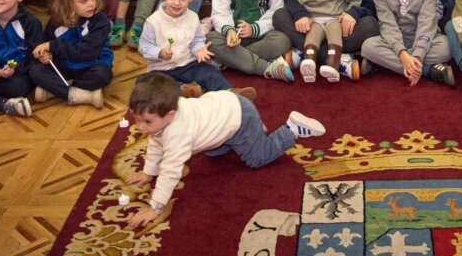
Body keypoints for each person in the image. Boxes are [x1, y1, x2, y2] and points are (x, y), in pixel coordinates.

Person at [122, 72, 325, 230]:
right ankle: (254, 132)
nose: (140, 127)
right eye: (136, 119)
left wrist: (155, 207)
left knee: (257, 158)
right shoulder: (166, 110)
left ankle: (291, 129)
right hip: (222, 104)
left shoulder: (177, 134)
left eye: (147, 121)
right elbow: (156, 142)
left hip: (239, 118)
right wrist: (149, 172)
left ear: (170, 115)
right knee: (214, 153)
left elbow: (170, 171)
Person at [140, 0, 249, 98]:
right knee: (144, 82)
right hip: (161, 69)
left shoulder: (193, 17)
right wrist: (160, 53)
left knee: (209, 71)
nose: (177, 3)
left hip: (187, 65)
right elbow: (144, 47)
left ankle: (231, 93)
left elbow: (197, 40)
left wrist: (199, 50)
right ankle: (184, 89)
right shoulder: (152, 21)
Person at [29, 0, 113, 108]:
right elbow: (50, 47)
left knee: (102, 75)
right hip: (65, 66)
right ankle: (80, 94)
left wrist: (52, 46)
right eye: (84, 1)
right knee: (35, 70)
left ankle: (56, 90)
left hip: (91, 65)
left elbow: (86, 52)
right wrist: (47, 55)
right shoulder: (56, 23)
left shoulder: (100, 22)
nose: (92, 3)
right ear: (67, 3)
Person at [293, 0, 362, 83]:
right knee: (312, 37)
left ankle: (333, 65)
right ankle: (309, 62)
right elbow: (297, 4)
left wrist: (349, 13)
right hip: (315, 21)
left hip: (335, 19)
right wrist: (302, 16)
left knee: (334, 35)